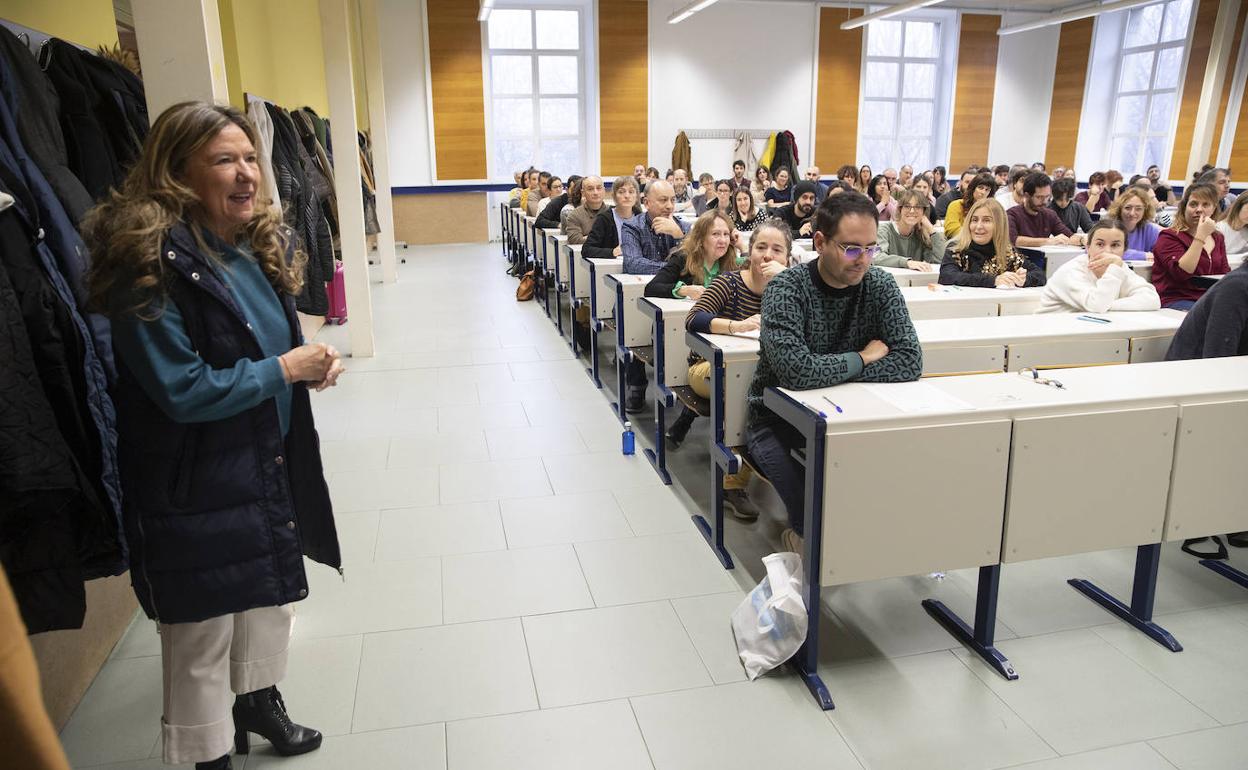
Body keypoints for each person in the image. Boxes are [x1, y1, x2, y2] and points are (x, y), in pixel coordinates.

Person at [82, 102, 341, 770]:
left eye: (251, 157)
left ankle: (257, 702)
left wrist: (301, 371)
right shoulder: (147, 263)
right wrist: (285, 367)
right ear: (176, 173)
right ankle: (207, 758)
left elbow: (258, 348)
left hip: (264, 458)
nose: (248, 173)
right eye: (225, 160)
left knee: (265, 603)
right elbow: (183, 388)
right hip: (194, 477)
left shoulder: (254, 246)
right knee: (199, 636)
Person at [746, 192, 922, 553]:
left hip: (853, 415)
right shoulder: (786, 288)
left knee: (883, 500)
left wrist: (827, 370)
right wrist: (862, 357)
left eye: (871, 249)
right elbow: (796, 372)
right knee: (817, 521)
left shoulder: (880, 285)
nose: (863, 260)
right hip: (778, 422)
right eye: (852, 249)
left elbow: (909, 360)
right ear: (821, 242)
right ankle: (801, 542)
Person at [669, 222, 794, 519]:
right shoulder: (728, 282)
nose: (767, 256)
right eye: (761, 247)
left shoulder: (792, 289)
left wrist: (788, 284)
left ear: (787, 259)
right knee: (744, 391)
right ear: (749, 252)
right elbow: (694, 318)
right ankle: (733, 483)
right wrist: (734, 326)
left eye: (777, 250)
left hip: (762, 373)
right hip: (708, 368)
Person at [620, 180, 691, 411]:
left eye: (672, 200)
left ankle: (680, 378)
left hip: (675, 294)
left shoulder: (683, 226)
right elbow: (632, 263)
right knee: (632, 320)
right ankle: (636, 386)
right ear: (647, 202)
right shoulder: (632, 226)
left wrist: (679, 236)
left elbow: (696, 260)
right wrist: (669, 268)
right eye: (662, 200)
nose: (669, 206)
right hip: (641, 293)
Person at [1038, 218, 1160, 313]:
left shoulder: (1118, 267)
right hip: (1052, 334)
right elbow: (1096, 305)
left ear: (1124, 250)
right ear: (1088, 247)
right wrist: (1107, 305)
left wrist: (1109, 305)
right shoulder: (1071, 271)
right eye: (1100, 244)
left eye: (1115, 245)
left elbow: (1152, 299)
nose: (1107, 251)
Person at [1152, 183, 1230, 310]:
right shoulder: (1169, 236)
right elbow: (1181, 273)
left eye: (1206, 205)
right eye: (1193, 204)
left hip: (1208, 299)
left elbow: (1224, 274)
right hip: (1176, 299)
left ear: (1214, 208)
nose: (1199, 209)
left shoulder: (1218, 238)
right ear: (1184, 207)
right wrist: (1200, 236)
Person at [940, 198, 1045, 288]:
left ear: (999, 225)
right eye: (975, 220)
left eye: (986, 220)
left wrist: (1023, 279)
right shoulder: (956, 249)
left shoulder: (1007, 253)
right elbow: (947, 277)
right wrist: (994, 280)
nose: (979, 226)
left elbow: (1040, 275)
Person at [875, 189, 945, 271]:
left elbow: (938, 262)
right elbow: (877, 257)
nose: (912, 211)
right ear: (900, 209)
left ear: (923, 212)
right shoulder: (884, 230)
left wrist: (931, 230)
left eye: (918, 207)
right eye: (907, 206)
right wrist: (907, 262)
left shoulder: (922, 234)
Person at [1007, 172, 1084, 247]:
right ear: (1027, 196)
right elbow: (1014, 240)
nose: (1044, 201)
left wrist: (1082, 240)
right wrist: (1048, 241)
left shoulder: (1050, 214)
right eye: (1039, 197)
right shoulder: (1012, 214)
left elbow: (1069, 235)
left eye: (1047, 197)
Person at [583, 175, 640, 259]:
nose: (627, 196)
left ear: (637, 196)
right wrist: (612, 252)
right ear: (614, 196)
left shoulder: (642, 218)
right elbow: (587, 250)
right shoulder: (604, 219)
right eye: (621, 192)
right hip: (613, 267)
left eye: (631, 192)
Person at [1107, 186, 1162, 260]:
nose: (1132, 213)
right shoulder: (1107, 227)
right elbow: (1106, 252)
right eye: (1127, 208)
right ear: (1119, 209)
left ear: (1145, 211)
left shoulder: (1151, 230)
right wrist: (1144, 255)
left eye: (1138, 209)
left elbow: (1159, 254)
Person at [943, 173, 996, 239]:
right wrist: (974, 237)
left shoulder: (991, 209)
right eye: (980, 188)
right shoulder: (956, 205)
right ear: (973, 188)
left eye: (987, 190)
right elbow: (951, 229)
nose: (983, 192)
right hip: (959, 243)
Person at [562, 175, 606, 244]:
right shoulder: (574, 215)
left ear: (604, 190)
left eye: (599, 188)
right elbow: (575, 240)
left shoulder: (614, 212)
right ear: (583, 193)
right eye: (590, 189)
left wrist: (588, 237)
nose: (595, 192)